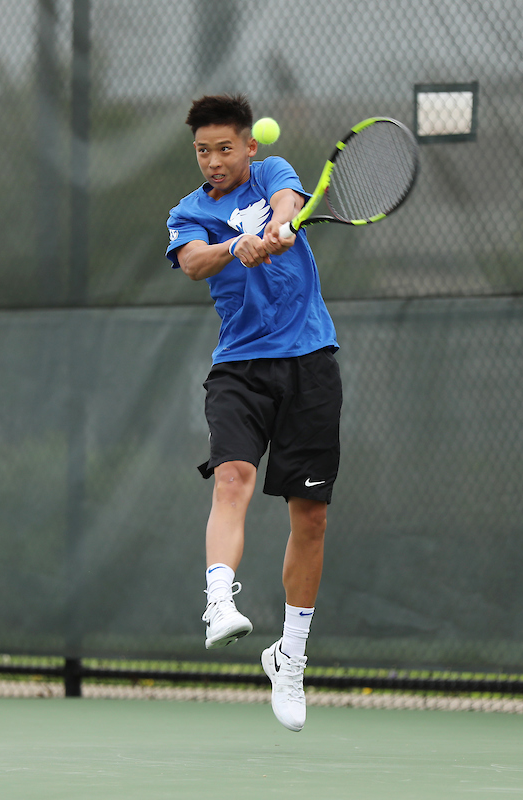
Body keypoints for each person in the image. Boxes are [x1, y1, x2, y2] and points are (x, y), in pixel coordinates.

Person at [165, 94, 342, 733]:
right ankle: (219, 603)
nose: (213, 161)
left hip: (310, 362)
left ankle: (290, 655)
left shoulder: (272, 175)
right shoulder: (189, 212)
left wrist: (281, 225)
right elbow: (192, 263)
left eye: (224, 148)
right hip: (239, 369)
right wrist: (236, 246)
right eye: (202, 151)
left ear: (249, 146)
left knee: (311, 517)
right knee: (232, 477)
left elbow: (289, 200)